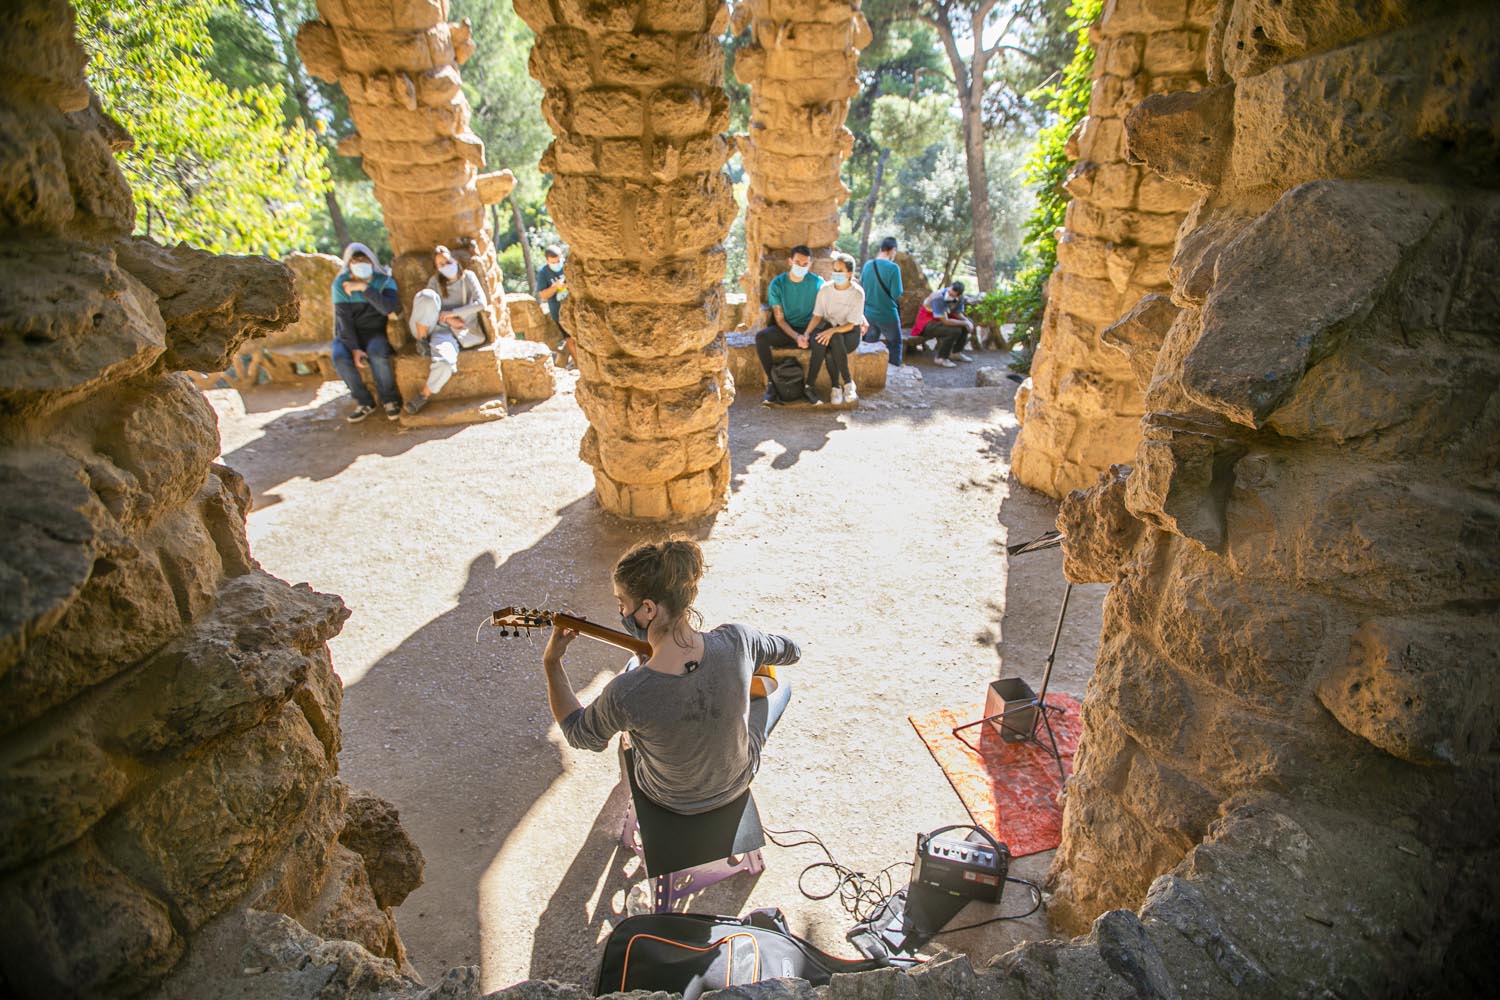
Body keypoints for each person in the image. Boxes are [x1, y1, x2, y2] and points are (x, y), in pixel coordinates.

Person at [541, 539, 800, 815]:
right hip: (735, 783)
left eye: (622, 604)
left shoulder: (626, 693)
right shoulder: (739, 640)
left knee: (635, 691)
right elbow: (791, 651)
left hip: (668, 798)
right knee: (776, 688)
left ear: (649, 609)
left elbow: (580, 735)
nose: (621, 613)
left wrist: (552, 662)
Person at [404, 245, 489, 415]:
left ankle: (423, 396)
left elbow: (481, 303)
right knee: (426, 297)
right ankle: (421, 342)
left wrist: (453, 313)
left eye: (447, 261)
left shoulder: (468, 278)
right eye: (441, 264)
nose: (445, 266)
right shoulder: (435, 282)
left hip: (454, 332)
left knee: (444, 363)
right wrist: (449, 319)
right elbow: (430, 308)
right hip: (433, 326)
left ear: (455, 260)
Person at [331, 242, 402, 422]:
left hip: (375, 332)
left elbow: (387, 308)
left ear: (371, 261)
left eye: (364, 259)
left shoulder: (385, 281)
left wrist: (363, 288)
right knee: (339, 356)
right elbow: (343, 319)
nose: (360, 262)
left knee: (378, 354)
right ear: (349, 263)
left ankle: (390, 399)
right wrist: (354, 348)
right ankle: (364, 401)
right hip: (348, 334)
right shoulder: (340, 284)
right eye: (355, 260)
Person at [753, 245, 825, 405]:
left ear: (810, 264)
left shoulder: (818, 283)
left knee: (821, 341)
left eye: (805, 264)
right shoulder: (777, 284)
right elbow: (779, 319)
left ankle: (809, 386)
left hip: (809, 329)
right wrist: (796, 336)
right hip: (787, 329)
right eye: (797, 262)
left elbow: (822, 311)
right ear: (790, 261)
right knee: (761, 338)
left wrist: (806, 334)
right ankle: (772, 384)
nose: (801, 266)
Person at [808, 252, 866, 405]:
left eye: (840, 271)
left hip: (850, 332)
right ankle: (843, 386)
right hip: (829, 329)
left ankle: (842, 384)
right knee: (832, 342)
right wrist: (806, 334)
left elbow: (852, 324)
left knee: (835, 337)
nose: (836, 274)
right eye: (834, 270)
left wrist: (831, 331)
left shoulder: (857, 293)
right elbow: (817, 316)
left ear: (850, 273)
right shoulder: (825, 290)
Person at [860, 237, 905, 368]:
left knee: (869, 347)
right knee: (895, 344)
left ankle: (868, 372)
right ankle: (893, 372)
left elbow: (862, 288)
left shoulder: (868, 265)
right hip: (887, 314)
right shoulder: (893, 268)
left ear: (881, 249)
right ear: (893, 250)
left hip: (868, 314)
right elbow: (896, 293)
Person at [912, 281, 974, 368]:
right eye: (949, 292)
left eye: (953, 295)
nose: (950, 295)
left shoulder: (960, 297)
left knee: (967, 324)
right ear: (949, 287)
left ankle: (956, 352)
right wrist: (965, 322)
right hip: (927, 323)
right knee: (954, 331)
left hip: (941, 319)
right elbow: (946, 321)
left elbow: (957, 313)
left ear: (958, 295)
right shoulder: (938, 297)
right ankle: (941, 358)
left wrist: (968, 322)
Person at [536, 245, 573, 369]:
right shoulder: (543, 273)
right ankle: (579, 365)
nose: (557, 264)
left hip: (573, 307)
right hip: (558, 312)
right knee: (570, 339)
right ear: (547, 260)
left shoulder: (567, 265)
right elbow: (543, 294)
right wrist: (555, 287)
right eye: (553, 262)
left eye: (558, 260)